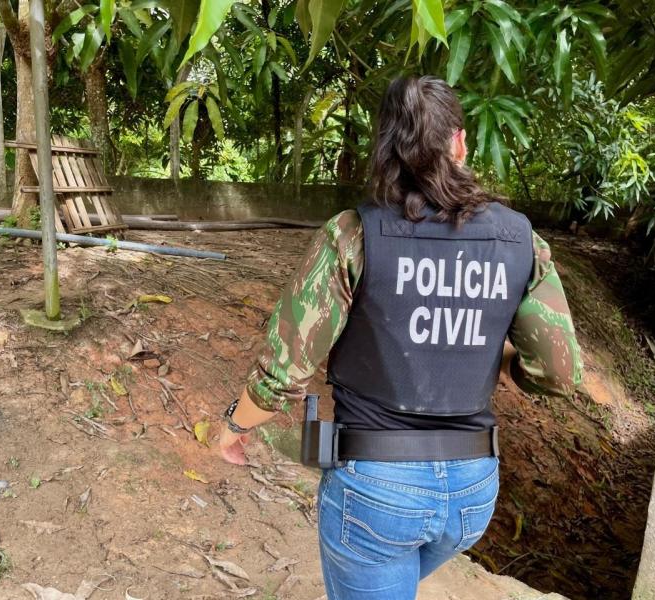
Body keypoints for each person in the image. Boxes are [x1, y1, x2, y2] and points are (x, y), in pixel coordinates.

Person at [217, 76, 582, 599]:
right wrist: (502, 358)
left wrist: (236, 424)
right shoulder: (521, 239)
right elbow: (559, 371)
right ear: (459, 142)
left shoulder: (353, 234)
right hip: (473, 490)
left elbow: (285, 369)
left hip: (376, 490)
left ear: (385, 148)